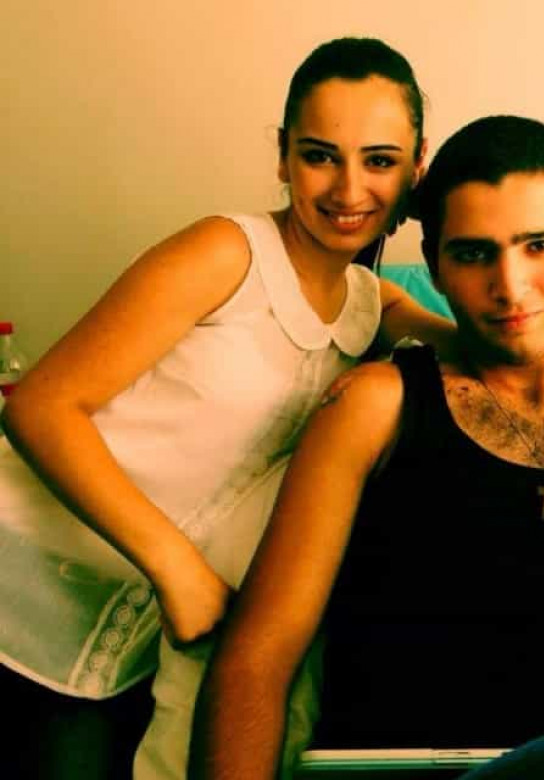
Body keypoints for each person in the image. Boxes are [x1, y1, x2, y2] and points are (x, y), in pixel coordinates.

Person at [189, 115, 544, 779]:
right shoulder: (378, 406)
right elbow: (260, 655)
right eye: (473, 254)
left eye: (539, 245)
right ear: (436, 268)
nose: (510, 285)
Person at [0, 37, 454, 780]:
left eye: (380, 160)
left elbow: (485, 346)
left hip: (123, 644)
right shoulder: (227, 252)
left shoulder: (369, 305)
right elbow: (41, 407)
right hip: (22, 586)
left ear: (416, 165)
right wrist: (175, 566)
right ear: (282, 157)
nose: (349, 189)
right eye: (320, 156)